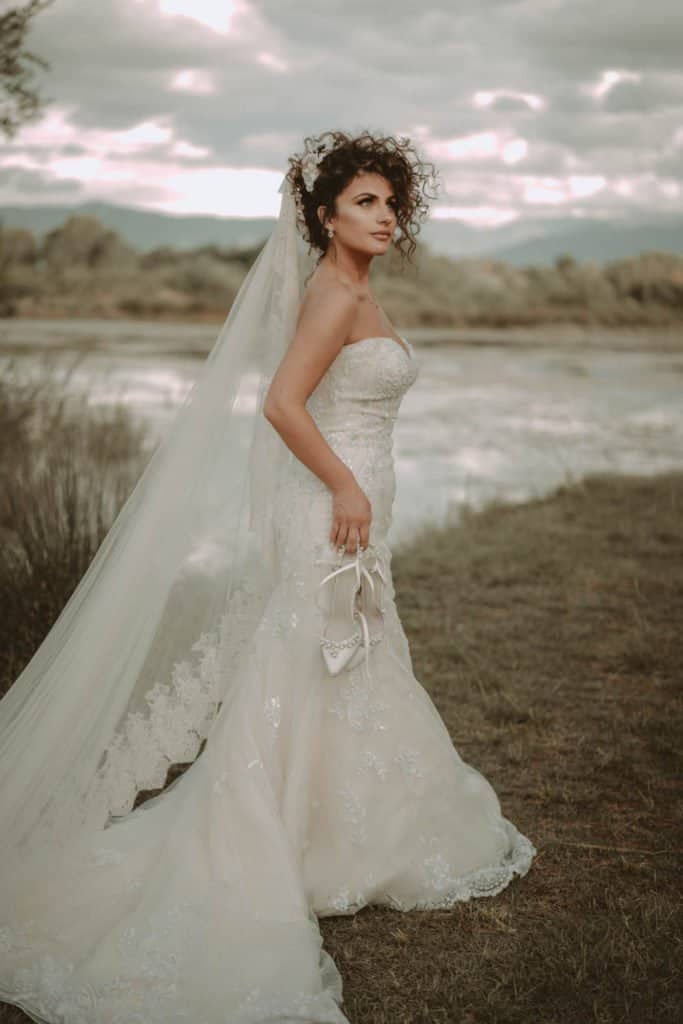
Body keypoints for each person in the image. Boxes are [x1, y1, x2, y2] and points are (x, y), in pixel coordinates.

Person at [0, 129, 536, 1024]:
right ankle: (275, 835)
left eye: (391, 202)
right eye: (364, 202)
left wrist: (356, 492)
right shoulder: (332, 293)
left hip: (349, 509)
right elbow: (281, 404)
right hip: (329, 510)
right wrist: (345, 486)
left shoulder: (355, 288)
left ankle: (342, 833)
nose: (384, 216)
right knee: (310, 655)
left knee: (346, 657)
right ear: (324, 215)